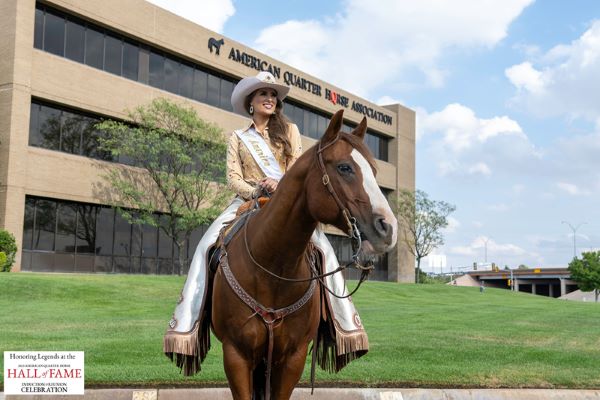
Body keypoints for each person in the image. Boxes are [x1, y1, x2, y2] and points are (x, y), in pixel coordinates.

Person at [164, 71, 368, 375]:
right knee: (207, 246)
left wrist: (280, 185)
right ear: (251, 103)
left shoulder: (291, 131)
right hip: (246, 202)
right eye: (263, 95)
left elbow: (299, 168)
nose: (270, 99)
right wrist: (256, 190)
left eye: (273, 95)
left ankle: (343, 326)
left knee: (323, 250)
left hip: (287, 204)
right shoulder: (238, 137)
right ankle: (189, 323)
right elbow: (233, 177)